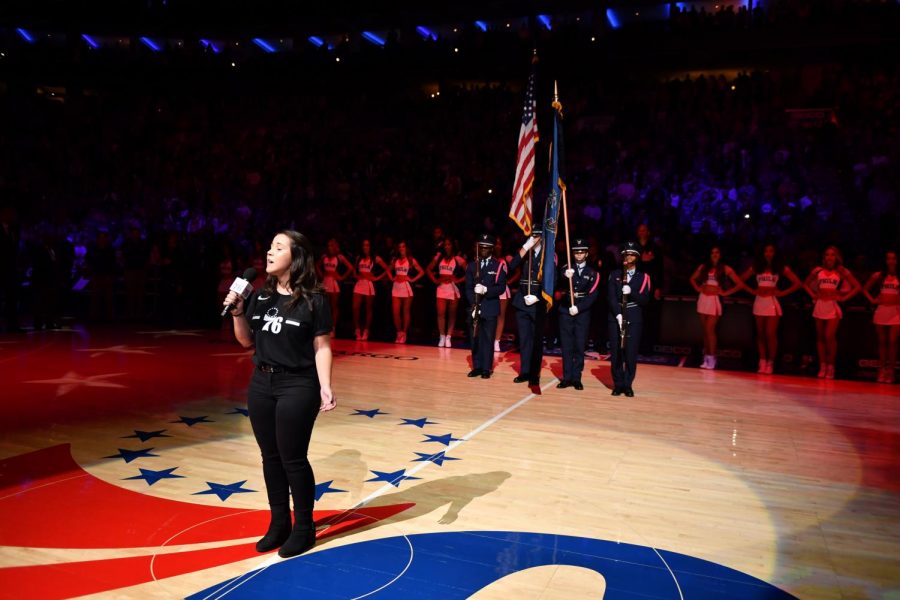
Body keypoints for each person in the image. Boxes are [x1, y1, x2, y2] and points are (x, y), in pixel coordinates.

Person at [223, 230, 336, 559]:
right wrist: (237, 312)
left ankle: (304, 528)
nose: (269, 253)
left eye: (278, 247)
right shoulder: (260, 295)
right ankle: (278, 523)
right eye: (269, 246)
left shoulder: (314, 298)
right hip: (261, 383)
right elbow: (246, 342)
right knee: (269, 457)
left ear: (296, 256)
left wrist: (325, 384)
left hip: (298, 385)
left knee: (293, 458)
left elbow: (322, 345)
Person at [740, 243, 802, 373]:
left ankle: (771, 362)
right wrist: (752, 291)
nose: (768, 254)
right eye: (766, 251)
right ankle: (762, 360)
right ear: (763, 253)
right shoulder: (756, 267)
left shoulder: (780, 268)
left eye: (771, 251)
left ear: (775, 253)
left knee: (770, 334)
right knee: (761, 334)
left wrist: (782, 293)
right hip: (759, 301)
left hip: (772, 302)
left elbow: (797, 283)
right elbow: (741, 280)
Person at [803, 246, 861, 379]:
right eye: (827, 255)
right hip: (820, 305)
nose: (830, 257)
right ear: (824, 257)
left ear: (837, 257)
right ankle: (823, 366)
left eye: (833, 255)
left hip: (833, 306)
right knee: (821, 337)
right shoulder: (818, 270)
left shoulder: (841, 271)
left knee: (829, 336)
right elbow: (805, 284)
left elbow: (857, 287)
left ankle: (831, 365)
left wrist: (843, 298)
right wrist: (813, 295)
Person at [690, 246, 748, 369]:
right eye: (712, 252)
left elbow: (740, 284)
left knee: (710, 330)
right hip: (703, 299)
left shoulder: (725, 268)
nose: (714, 254)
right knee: (705, 331)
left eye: (717, 252)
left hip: (714, 300)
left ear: (720, 254)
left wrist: (725, 293)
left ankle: (712, 357)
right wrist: (698, 288)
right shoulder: (703, 267)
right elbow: (692, 279)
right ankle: (706, 357)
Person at [508, 228, 552, 386]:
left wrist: (538, 296)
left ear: (542, 237)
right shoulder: (525, 251)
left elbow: (551, 278)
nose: (534, 238)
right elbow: (511, 266)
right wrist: (525, 247)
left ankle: (535, 373)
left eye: (537, 236)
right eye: (532, 235)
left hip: (538, 302)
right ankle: (524, 371)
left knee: (536, 340)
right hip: (522, 300)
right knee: (525, 340)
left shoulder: (548, 254)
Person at [556, 238, 601, 390]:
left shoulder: (593, 273)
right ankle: (566, 377)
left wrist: (580, 308)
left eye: (582, 252)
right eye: (576, 252)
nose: (579, 255)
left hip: (582, 313)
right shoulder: (566, 268)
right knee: (567, 345)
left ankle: (576, 378)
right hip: (566, 309)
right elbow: (557, 280)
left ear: (587, 254)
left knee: (579, 345)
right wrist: (564, 275)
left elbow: (592, 295)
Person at [608, 242, 651, 397]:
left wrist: (632, 292)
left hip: (634, 316)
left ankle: (628, 384)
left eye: (632, 254)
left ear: (637, 257)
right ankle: (618, 384)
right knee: (616, 352)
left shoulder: (644, 277)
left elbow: (645, 300)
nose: (629, 257)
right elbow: (611, 297)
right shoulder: (615, 274)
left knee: (630, 353)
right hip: (616, 316)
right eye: (627, 254)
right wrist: (617, 314)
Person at [465, 234, 507, 378]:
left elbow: (501, 287)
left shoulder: (498, 266)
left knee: (488, 338)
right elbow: (468, 288)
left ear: (491, 249)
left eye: (486, 248)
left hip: (490, 307)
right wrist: (474, 303)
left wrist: (486, 290)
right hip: (475, 308)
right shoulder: (472, 266)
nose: (483, 250)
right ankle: (476, 366)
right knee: (474, 338)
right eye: (481, 247)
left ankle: (486, 368)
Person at [862, 251, 898, 383]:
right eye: (888, 258)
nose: (891, 261)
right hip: (882, 309)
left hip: (896, 311)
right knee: (882, 342)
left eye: (894, 258)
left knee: (892, 342)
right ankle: (882, 370)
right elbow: (865, 288)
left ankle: (891, 371)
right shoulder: (879, 275)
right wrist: (872, 300)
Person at [427, 238, 467, 347]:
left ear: (452, 246)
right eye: (445, 245)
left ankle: (449, 336)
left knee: (452, 314)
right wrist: (435, 280)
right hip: (441, 287)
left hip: (453, 288)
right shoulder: (439, 257)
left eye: (449, 244)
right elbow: (428, 269)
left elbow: (469, 272)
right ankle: (442, 336)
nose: (446, 246)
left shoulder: (458, 259)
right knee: (441, 313)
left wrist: (458, 280)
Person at [351, 239, 389, 341]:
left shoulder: (375, 258)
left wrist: (376, 278)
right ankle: (357, 329)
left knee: (368, 308)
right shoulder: (358, 258)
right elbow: (354, 271)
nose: (365, 247)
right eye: (363, 245)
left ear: (370, 247)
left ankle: (366, 330)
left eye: (367, 245)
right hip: (360, 283)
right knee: (355, 307)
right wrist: (356, 275)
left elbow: (387, 268)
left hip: (368, 284)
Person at [389, 241, 424, 343]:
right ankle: (399, 332)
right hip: (396, 287)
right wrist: (392, 277)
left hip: (406, 287)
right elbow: (388, 269)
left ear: (406, 248)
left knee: (405, 311)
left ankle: (404, 333)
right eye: (400, 247)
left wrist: (412, 279)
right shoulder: (394, 259)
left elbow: (422, 271)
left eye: (403, 246)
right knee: (395, 312)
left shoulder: (411, 260)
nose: (401, 248)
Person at [317, 238, 354, 337]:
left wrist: (341, 277)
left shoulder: (340, 257)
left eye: (332, 245)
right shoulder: (324, 256)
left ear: (335, 246)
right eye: (329, 245)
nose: (330, 247)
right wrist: (321, 274)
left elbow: (351, 268)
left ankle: (333, 328)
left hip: (334, 283)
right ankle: (324, 326)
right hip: (325, 282)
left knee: (334, 306)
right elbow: (317, 265)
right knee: (324, 306)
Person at [494, 237, 516, 353]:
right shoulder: (489, 258)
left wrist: (509, 281)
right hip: (491, 289)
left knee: (500, 316)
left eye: (499, 244)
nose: (498, 246)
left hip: (502, 290)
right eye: (496, 244)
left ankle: (497, 341)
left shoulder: (507, 258)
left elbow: (518, 272)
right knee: (489, 315)